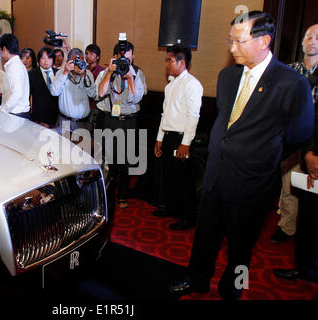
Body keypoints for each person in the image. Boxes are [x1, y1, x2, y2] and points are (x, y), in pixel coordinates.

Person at [168, 11, 314, 300]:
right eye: (230, 40)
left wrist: (264, 154)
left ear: (264, 41)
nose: (232, 48)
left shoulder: (290, 82)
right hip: (215, 175)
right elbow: (224, 121)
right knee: (205, 236)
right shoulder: (227, 76)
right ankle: (197, 278)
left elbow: (299, 133)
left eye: (238, 41)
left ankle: (234, 286)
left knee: (242, 245)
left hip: (252, 182)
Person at [273, 24, 318, 283]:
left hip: (316, 145)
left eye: (316, 37)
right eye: (308, 36)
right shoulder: (290, 70)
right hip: (291, 139)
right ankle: (287, 227)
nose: (311, 40)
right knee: (289, 184)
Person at [153, 44, 203, 230]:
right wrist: (159, 139)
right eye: (167, 60)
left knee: (183, 180)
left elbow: (194, 117)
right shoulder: (171, 85)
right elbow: (165, 115)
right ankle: (172, 209)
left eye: (170, 60)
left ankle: (188, 218)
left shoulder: (192, 84)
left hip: (182, 139)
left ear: (182, 62)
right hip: (168, 137)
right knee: (169, 177)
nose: (166, 64)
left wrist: (186, 144)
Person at [96, 40, 146, 209]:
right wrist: (109, 73)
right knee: (108, 160)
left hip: (129, 120)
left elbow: (137, 98)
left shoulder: (138, 73)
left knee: (126, 161)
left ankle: (123, 195)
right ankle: (108, 195)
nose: (125, 60)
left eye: (128, 56)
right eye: (121, 57)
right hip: (110, 119)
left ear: (133, 56)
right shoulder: (105, 72)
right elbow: (100, 92)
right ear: (115, 57)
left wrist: (130, 78)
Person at [51, 48, 96, 134]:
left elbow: (92, 94)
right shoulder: (60, 73)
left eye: (81, 62)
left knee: (82, 147)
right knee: (63, 147)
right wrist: (65, 72)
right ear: (68, 61)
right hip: (65, 122)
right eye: (74, 62)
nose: (77, 65)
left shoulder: (88, 74)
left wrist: (84, 76)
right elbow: (54, 92)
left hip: (83, 123)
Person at [0, 33, 30, 119]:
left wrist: (3, 110)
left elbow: (17, 93)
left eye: (0, 50)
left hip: (15, 113)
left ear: (4, 49)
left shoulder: (14, 66)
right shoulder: (17, 64)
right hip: (18, 112)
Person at [28, 47, 59, 128]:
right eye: (43, 58)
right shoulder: (31, 74)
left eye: (49, 58)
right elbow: (27, 96)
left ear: (53, 59)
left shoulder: (59, 73)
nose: (46, 61)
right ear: (38, 60)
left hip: (57, 118)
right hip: (39, 119)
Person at [85, 44, 105, 129]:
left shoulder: (102, 72)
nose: (88, 56)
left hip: (94, 108)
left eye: (91, 54)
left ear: (97, 57)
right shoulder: (83, 69)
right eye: (86, 53)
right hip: (83, 105)